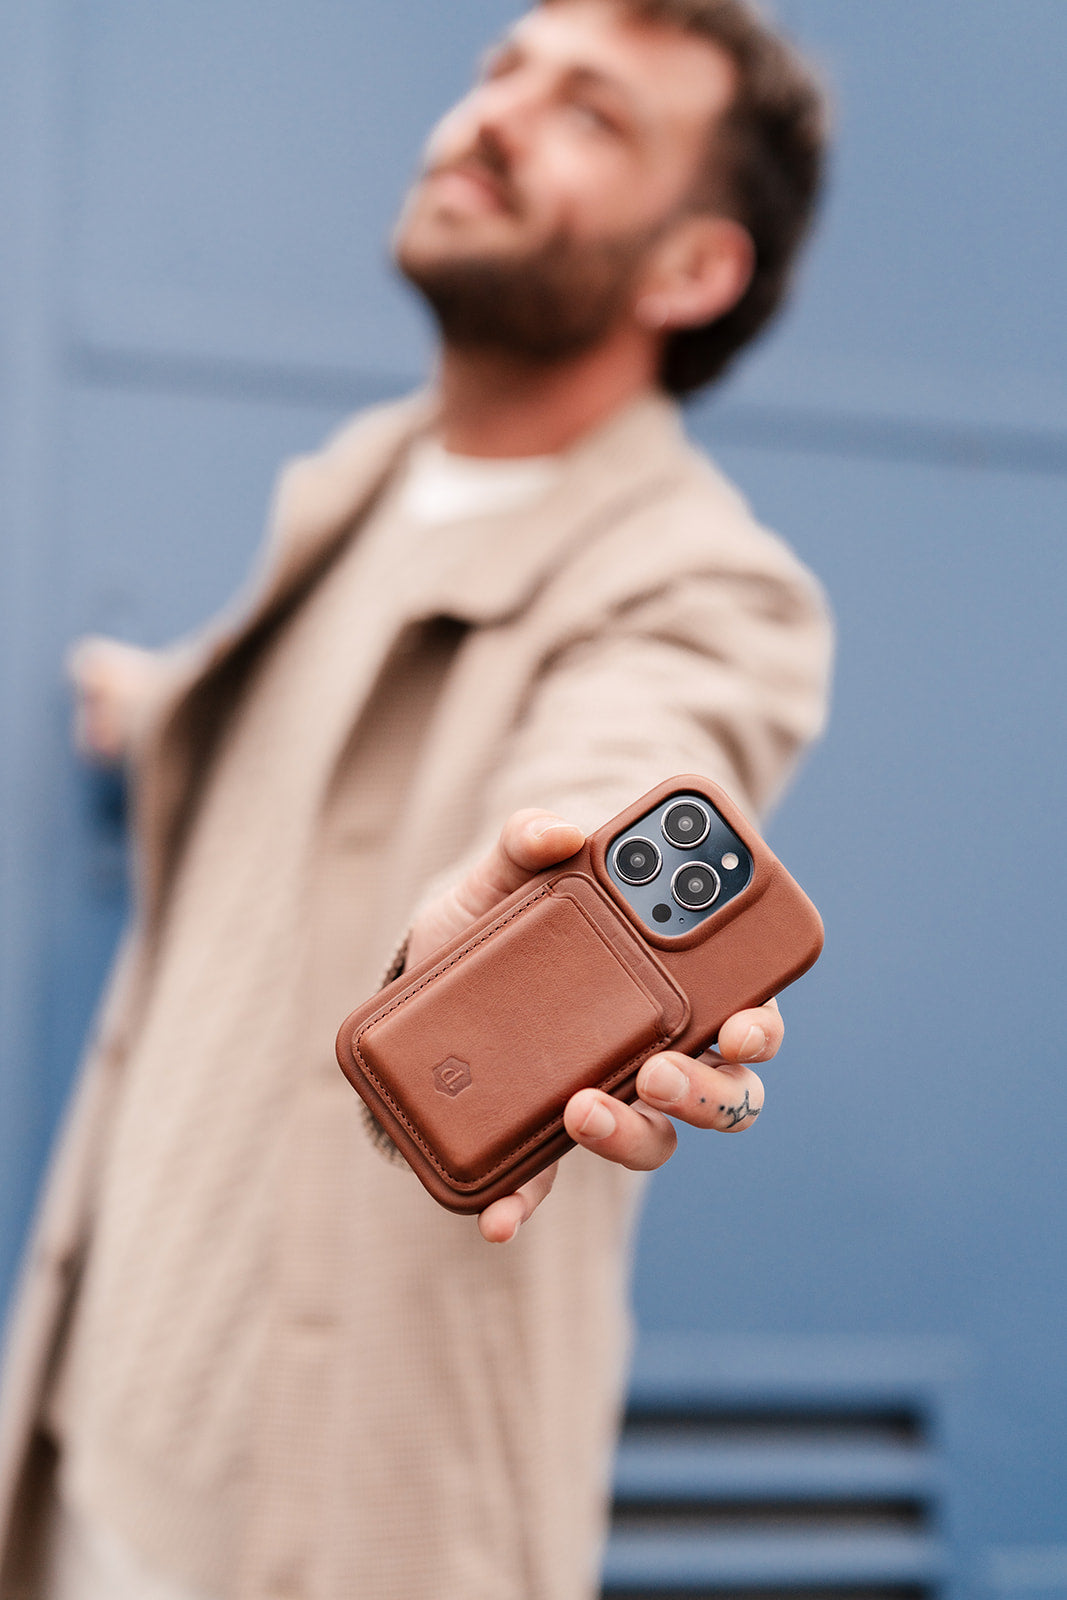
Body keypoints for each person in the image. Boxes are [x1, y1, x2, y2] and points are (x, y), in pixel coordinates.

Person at [0, 1, 833, 1596]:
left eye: (590, 112)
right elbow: (304, 713)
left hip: (339, 1520)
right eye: (499, 70)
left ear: (691, 272)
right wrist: (152, 701)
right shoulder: (364, 481)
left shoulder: (708, 586)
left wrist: (528, 920)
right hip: (93, 1455)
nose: (495, 114)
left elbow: (636, 750)